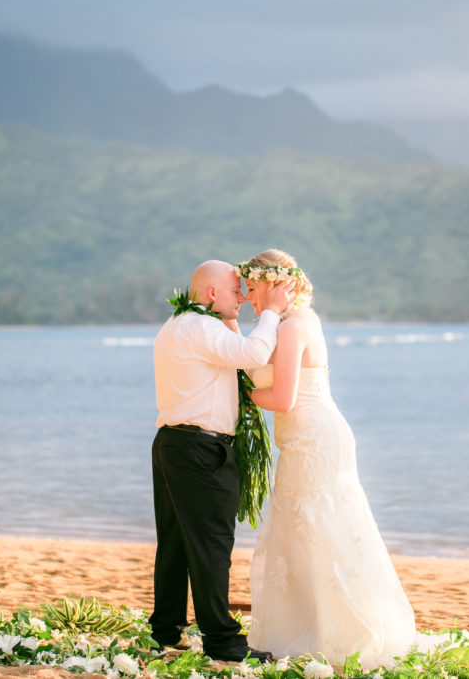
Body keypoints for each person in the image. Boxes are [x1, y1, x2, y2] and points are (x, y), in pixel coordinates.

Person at [239, 249, 419, 669]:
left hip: (312, 440)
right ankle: (312, 624)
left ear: (271, 283)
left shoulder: (294, 325)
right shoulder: (299, 320)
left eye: (252, 287)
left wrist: (238, 392)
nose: (249, 298)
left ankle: (333, 633)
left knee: (315, 531)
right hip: (310, 436)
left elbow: (281, 399)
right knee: (306, 531)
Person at [150, 259, 294, 663]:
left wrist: (234, 321)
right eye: (236, 291)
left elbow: (233, 358)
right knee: (212, 545)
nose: (244, 297)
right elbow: (252, 355)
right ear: (211, 294)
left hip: (171, 443)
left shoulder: (178, 325)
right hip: (199, 449)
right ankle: (223, 642)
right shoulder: (201, 327)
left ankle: (167, 631)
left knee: (176, 543)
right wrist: (272, 312)